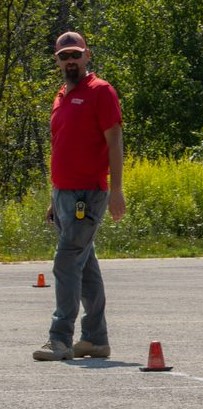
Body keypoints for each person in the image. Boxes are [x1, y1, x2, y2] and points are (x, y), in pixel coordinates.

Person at [33, 31, 125, 361]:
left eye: (76, 54)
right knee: (85, 268)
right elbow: (64, 147)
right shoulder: (61, 95)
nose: (70, 60)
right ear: (57, 60)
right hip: (64, 194)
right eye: (64, 56)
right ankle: (96, 339)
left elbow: (114, 141)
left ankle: (59, 338)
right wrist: (54, 198)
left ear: (87, 55)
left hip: (89, 193)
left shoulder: (101, 91)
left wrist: (116, 190)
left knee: (67, 261)